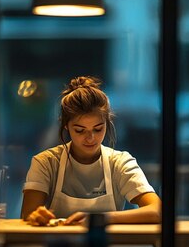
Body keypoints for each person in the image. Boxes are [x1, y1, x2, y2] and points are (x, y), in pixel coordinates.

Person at [21, 76, 161, 226]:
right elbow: (28, 214)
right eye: (80, 130)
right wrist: (36, 216)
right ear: (66, 126)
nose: (90, 138)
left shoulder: (120, 162)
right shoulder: (46, 163)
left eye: (98, 129)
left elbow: (157, 211)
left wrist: (100, 219)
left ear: (107, 123)